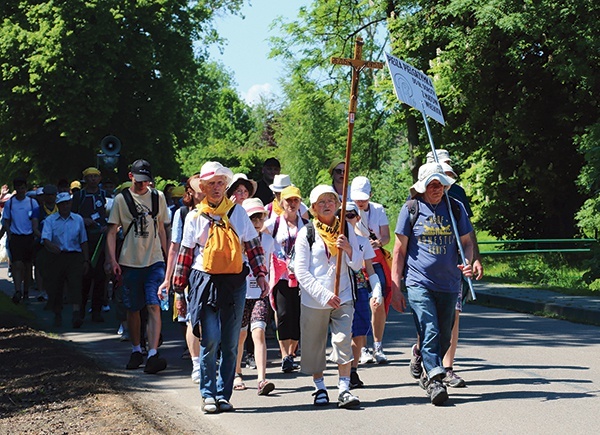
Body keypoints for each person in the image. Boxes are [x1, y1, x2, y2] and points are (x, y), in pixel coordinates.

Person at [173, 161, 269, 414]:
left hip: (234, 281)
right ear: (202, 187)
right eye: (211, 184)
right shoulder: (194, 217)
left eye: (220, 183)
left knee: (229, 341)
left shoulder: (237, 213)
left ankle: (223, 394)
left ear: (226, 186)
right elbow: (185, 254)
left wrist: (260, 275)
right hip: (203, 281)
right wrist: (178, 290)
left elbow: (253, 245)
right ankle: (208, 393)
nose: (216, 188)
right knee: (211, 338)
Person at [391, 162, 476, 405]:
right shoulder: (411, 209)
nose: (437, 188)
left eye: (440, 184)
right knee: (429, 328)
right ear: (422, 187)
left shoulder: (456, 209)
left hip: (450, 283)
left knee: (445, 336)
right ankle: (435, 380)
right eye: (432, 184)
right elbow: (399, 251)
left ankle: (421, 358)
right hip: (419, 282)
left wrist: (468, 262)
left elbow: (467, 242)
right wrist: (396, 287)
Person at [410, 151, 483, 388]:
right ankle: (430, 364)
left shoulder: (457, 200)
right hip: (422, 277)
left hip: (452, 275)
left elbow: (467, 236)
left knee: (449, 322)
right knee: (429, 324)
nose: (440, 185)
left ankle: (445, 367)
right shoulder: (415, 204)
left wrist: (473, 260)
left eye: (447, 170)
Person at [294, 185, 364, 409]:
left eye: (331, 201)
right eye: (321, 202)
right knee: (315, 346)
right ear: (313, 208)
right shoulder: (307, 233)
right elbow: (301, 271)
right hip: (315, 298)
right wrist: (324, 295)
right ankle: (319, 387)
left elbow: (357, 265)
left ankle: (344, 389)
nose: (327, 205)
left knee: (343, 340)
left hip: (343, 295)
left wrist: (350, 249)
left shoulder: (345, 228)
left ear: (337, 205)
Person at [105, 159, 170, 375]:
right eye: (139, 180)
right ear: (131, 176)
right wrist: (113, 260)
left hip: (154, 260)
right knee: (133, 309)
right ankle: (136, 349)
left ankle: (152, 353)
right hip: (130, 262)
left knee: (153, 305)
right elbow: (112, 231)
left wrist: (167, 256)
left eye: (146, 180)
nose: (143, 184)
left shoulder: (157, 197)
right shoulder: (121, 200)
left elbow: (161, 228)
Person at [158, 174, 204, 383]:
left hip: (213, 272)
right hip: (188, 272)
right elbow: (174, 247)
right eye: (199, 187)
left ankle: (210, 359)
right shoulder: (183, 213)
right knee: (192, 319)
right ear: (191, 192)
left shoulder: (220, 210)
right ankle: (196, 363)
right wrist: (169, 279)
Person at [233, 198, 275, 395]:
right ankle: (236, 373)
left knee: (258, 333)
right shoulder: (237, 241)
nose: (256, 222)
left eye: (260, 218)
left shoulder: (268, 240)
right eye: (252, 218)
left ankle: (262, 378)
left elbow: (276, 262)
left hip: (260, 293)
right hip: (241, 293)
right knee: (240, 335)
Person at [350, 176, 393, 364]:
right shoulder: (348, 210)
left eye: (364, 198)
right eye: (357, 198)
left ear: (370, 196)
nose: (360, 202)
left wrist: (377, 242)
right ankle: (363, 347)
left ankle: (378, 344)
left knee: (379, 300)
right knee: (360, 303)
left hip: (375, 260)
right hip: (357, 262)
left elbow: (386, 236)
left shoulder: (378, 209)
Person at [264, 185, 307, 373]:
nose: (292, 204)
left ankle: (291, 353)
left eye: (295, 200)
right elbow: (260, 240)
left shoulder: (306, 225)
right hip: (280, 275)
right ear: (281, 202)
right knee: (282, 314)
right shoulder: (273, 223)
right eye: (288, 200)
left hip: (301, 275)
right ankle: (284, 354)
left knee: (297, 315)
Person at [342, 202, 383, 389]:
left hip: (359, 289)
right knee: (344, 332)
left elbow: (370, 269)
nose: (347, 218)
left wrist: (377, 291)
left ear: (358, 218)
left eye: (351, 215)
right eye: (343, 214)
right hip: (341, 291)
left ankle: (353, 370)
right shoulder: (333, 239)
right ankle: (342, 370)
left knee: (359, 332)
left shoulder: (364, 242)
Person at [42, 192, 89, 328]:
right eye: (62, 204)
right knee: (56, 286)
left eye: (67, 203)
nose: (65, 206)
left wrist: (86, 260)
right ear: (58, 205)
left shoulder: (78, 219)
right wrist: (51, 246)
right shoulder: (50, 220)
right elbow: (45, 239)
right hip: (57, 256)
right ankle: (57, 313)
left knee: (75, 284)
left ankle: (76, 314)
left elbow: (83, 240)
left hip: (74, 256)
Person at [72, 167, 108, 323]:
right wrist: (83, 219)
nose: (93, 179)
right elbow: (72, 216)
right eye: (90, 177)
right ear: (85, 179)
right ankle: (79, 310)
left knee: (100, 277)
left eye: (96, 176)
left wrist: (109, 226)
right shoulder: (79, 196)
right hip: (84, 241)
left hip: (101, 240)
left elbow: (111, 213)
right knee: (84, 277)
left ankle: (97, 311)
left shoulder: (104, 195)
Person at [1, 177, 39, 304]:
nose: (21, 190)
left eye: (23, 187)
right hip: (16, 237)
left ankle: (26, 291)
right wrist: (9, 232)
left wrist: (36, 233)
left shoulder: (32, 203)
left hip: (28, 237)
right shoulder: (10, 203)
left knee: (28, 267)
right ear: (15, 189)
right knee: (17, 265)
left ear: (25, 188)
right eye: (18, 188)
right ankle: (18, 291)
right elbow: (6, 220)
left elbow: (35, 220)